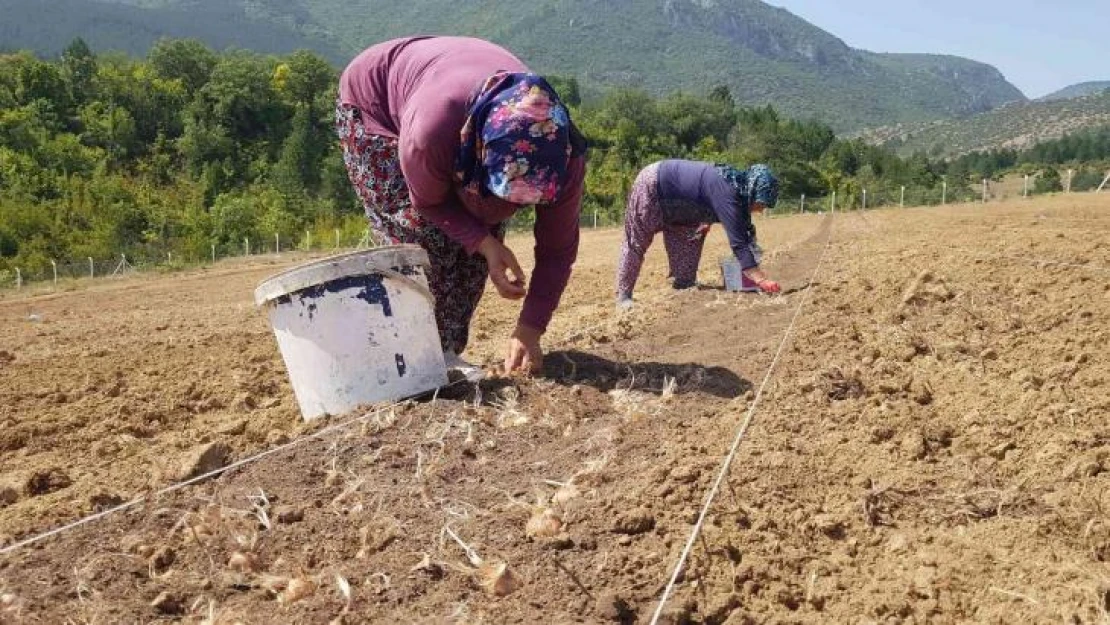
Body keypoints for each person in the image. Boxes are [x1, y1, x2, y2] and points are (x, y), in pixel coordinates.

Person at [336, 37, 587, 377]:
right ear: (479, 150)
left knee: (480, 246)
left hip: (446, 93)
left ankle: (445, 353)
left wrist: (530, 329)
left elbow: (558, 250)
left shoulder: (566, 158)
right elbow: (427, 202)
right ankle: (411, 359)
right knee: (420, 236)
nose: (508, 207)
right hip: (376, 104)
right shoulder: (430, 133)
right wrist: (482, 240)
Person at [615, 160, 781, 306]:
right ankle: (624, 295)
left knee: (692, 235)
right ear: (752, 189)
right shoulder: (728, 190)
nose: (760, 210)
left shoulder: (738, 188)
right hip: (654, 186)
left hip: (682, 208)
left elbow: (744, 230)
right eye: (761, 203)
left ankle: (683, 282)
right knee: (636, 242)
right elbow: (739, 243)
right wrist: (761, 279)